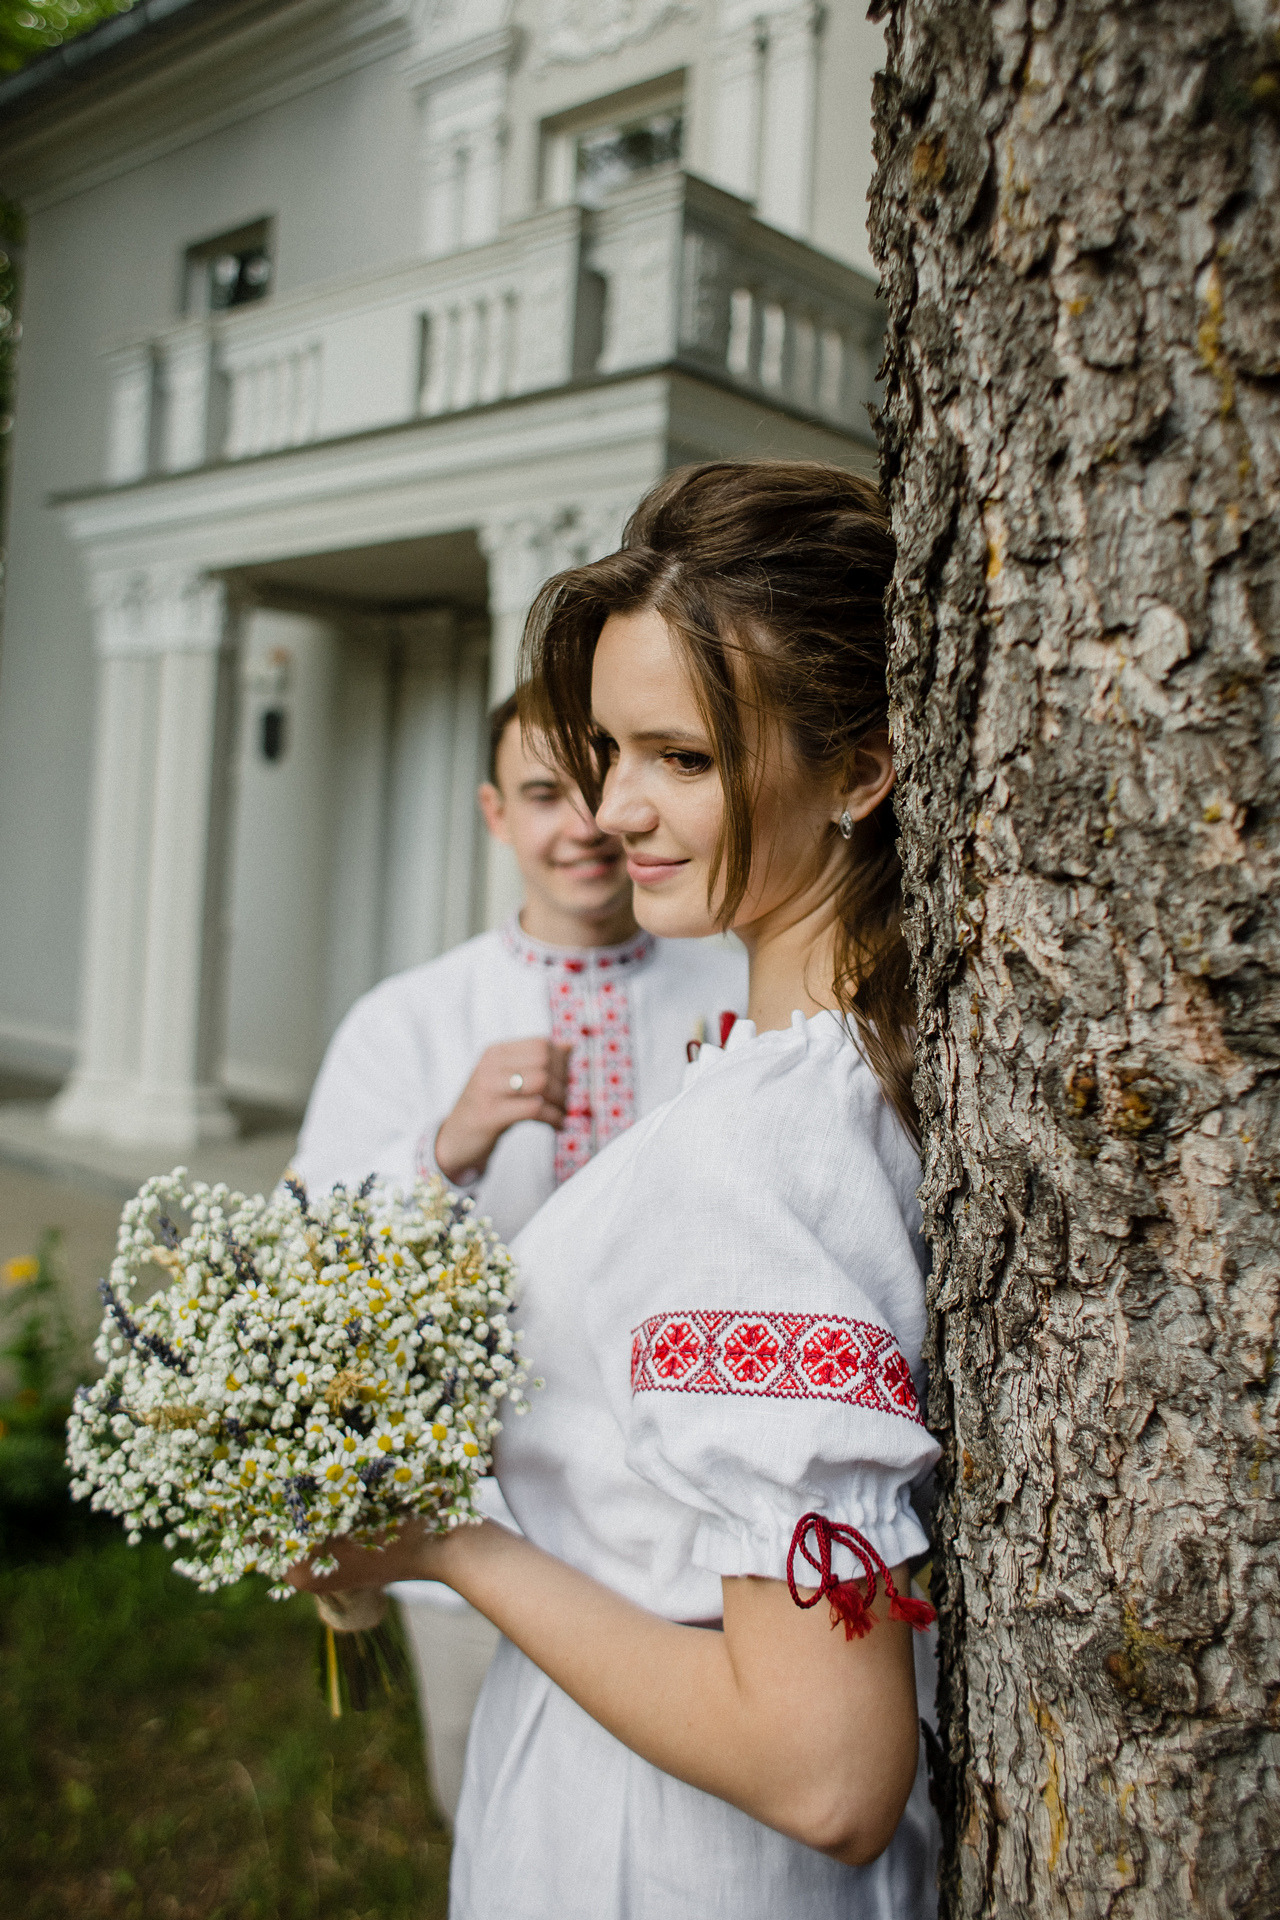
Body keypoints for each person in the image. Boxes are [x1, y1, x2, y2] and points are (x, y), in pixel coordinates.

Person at [293, 461, 941, 1919]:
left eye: (686, 759)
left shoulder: (761, 1152)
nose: (616, 811)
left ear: (861, 768)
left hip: (670, 1855)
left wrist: (445, 1543)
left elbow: (826, 1767)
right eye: (606, 749)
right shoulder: (807, 1076)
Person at [292, 694, 746, 1822]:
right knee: (492, 1786)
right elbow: (306, 1265)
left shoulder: (733, 985)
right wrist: (441, 1149)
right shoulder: (406, 1019)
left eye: (600, 789)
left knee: (693, 1784)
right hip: (483, 1504)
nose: (583, 825)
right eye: (545, 795)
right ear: (496, 815)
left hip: (690, 1496)